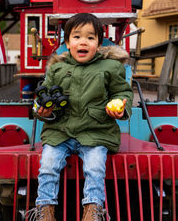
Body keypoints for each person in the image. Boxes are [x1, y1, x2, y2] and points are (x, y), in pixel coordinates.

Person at [29, 13, 133, 221]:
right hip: (60, 132)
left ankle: (93, 210)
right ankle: (45, 209)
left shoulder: (111, 67)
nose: (83, 42)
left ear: (99, 43)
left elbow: (122, 92)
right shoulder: (57, 68)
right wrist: (41, 110)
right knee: (48, 164)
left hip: (96, 132)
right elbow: (44, 95)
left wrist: (121, 107)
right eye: (77, 37)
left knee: (95, 167)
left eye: (90, 37)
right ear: (67, 43)